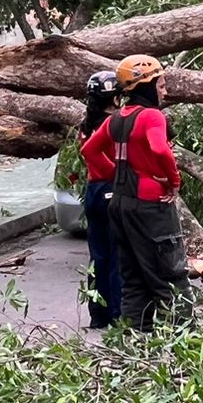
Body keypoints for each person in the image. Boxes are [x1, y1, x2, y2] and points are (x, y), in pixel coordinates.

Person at [81, 55, 190, 331]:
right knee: (171, 278)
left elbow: (89, 149)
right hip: (151, 205)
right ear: (147, 85)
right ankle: (183, 338)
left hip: (120, 204)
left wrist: (117, 174)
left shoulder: (118, 118)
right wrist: (173, 181)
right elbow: (160, 149)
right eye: (161, 85)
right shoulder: (152, 116)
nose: (165, 92)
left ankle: (133, 339)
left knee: (133, 281)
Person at [78, 70, 124, 328]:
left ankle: (98, 314)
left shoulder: (86, 124)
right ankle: (118, 314)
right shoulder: (113, 124)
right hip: (110, 188)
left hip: (93, 191)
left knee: (98, 255)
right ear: (115, 98)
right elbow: (92, 152)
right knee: (118, 255)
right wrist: (117, 173)